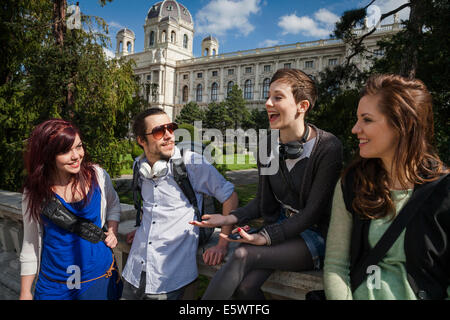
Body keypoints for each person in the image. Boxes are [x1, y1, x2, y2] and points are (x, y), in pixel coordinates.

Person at [191, 68, 343, 299]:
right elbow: (263, 201)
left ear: (302, 106)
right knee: (244, 288)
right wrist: (230, 218)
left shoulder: (328, 147)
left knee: (243, 254)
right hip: (281, 230)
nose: (267, 103)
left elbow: (313, 212)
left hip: (315, 235)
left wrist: (266, 237)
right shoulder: (267, 144)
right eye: (268, 95)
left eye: (278, 97)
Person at [323, 74, 450, 300]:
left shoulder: (444, 191)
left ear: (402, 125)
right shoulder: (351, 183)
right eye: (357, 119)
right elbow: (335, 265)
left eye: (367, 120)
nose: (355, 129)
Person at [121, 108, 238, 300]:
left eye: (171, 128)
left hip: (168, 276)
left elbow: (230, 197)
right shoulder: (139, 167)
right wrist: (145, 227)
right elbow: (153, 205)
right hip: (134, 269)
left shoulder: (191, 162)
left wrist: (223, 243)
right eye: (159, 131)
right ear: (142, 141)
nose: (168, 135)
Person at [19, 119, 122, 300]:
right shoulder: (34, 191)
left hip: (100, 278)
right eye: (66, 151)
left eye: (79, 146)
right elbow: (30, 243)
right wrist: (25, 292)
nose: (76, 156)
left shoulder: (97, 176)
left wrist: (112, 229)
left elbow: (114, 205)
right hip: (55, 285)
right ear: (48, 155)